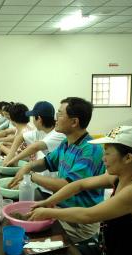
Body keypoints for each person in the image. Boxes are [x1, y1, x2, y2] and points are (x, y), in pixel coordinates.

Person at [28, 126, 132, 255]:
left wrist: (48, 211)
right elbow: (79, 185)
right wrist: (48, 201)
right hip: (107, 251)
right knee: (52, 254)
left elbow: (88, 215)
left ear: (128, 158)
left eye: (108, 154)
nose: (103, 158)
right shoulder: (117, 178)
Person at [9, 97, 106, 243]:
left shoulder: (90, 150)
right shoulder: (67, 143)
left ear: (74, 122)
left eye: (60, 115)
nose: (55, 119)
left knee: (28, 238)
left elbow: (67, 185)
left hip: (79, 223)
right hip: (62, 210)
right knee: (18, 219)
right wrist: (28, 166)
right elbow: (46, 162)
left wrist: (31, 175)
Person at [3, 101, 65, 167]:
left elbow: (35, 147)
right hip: (38, 172)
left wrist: (13, 160)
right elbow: (20, 137)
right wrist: (10, 156)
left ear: (39, 119)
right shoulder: (40, 131)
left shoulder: (58, 134)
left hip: (50, 175)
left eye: (33, 117)